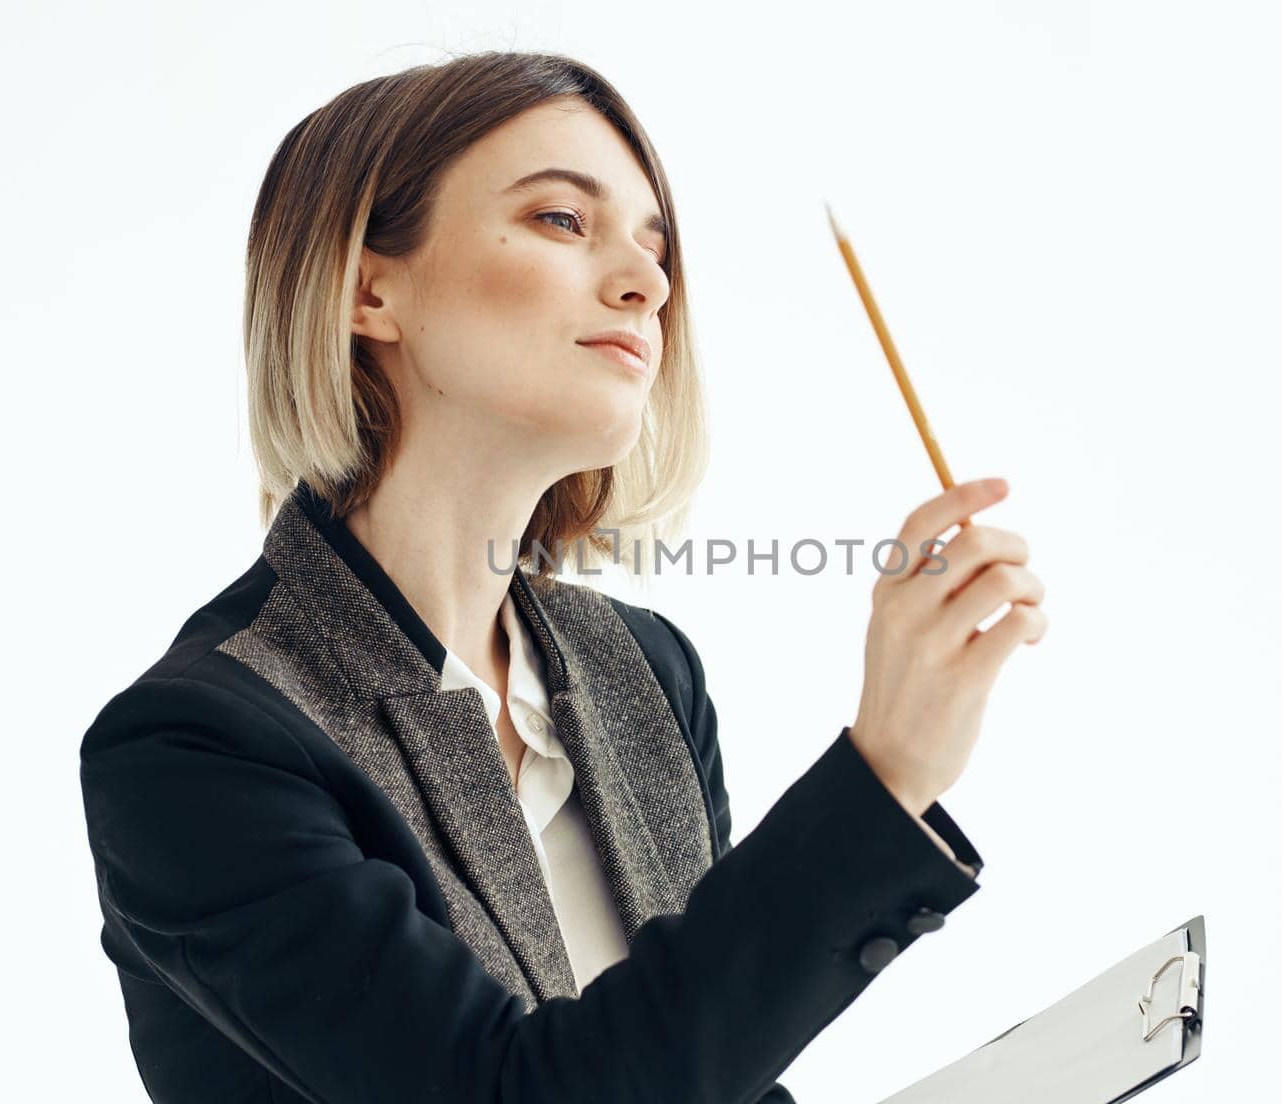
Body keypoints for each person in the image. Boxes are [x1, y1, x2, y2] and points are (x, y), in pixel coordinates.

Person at [78, 50, 1048, 1104]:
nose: (649, 283)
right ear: (368, 288)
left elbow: (695, 1071)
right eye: (561, 221)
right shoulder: (195, 749)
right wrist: (883, 774)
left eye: (654, 245)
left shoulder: (641, 668)